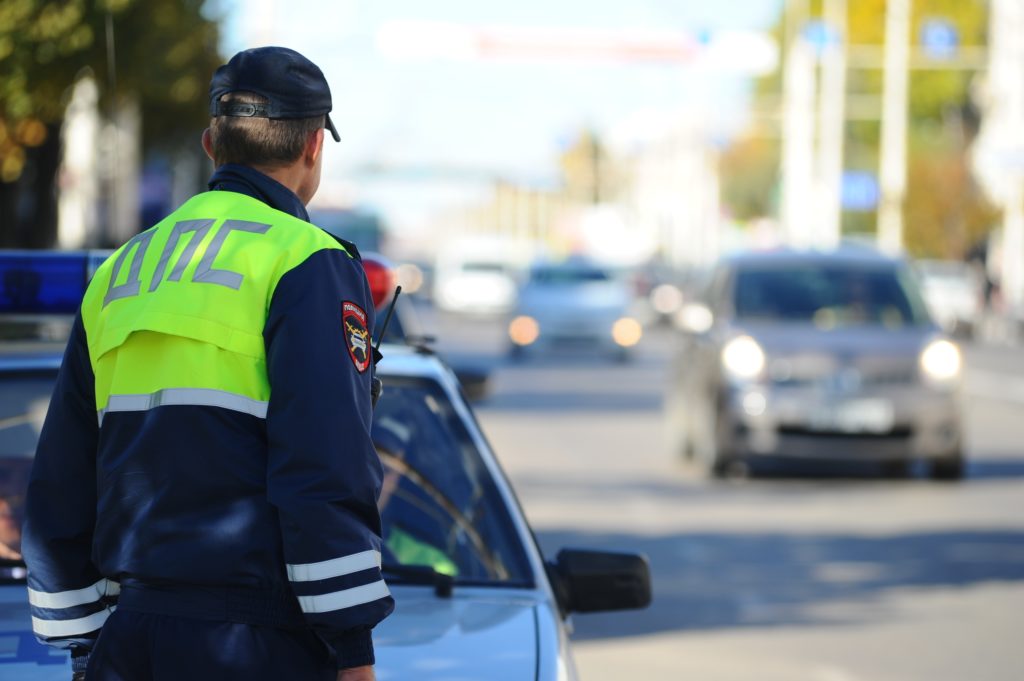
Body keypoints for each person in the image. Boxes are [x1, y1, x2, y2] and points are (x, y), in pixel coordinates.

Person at [22, 46, 394, 681]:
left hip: (129, 636)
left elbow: (63, 472)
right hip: (257, 641)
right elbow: (323, 465)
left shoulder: (122, 268)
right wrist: (352, 651)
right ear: (313, 147)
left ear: (209, 144)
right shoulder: (306, 258)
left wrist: (87, 648)